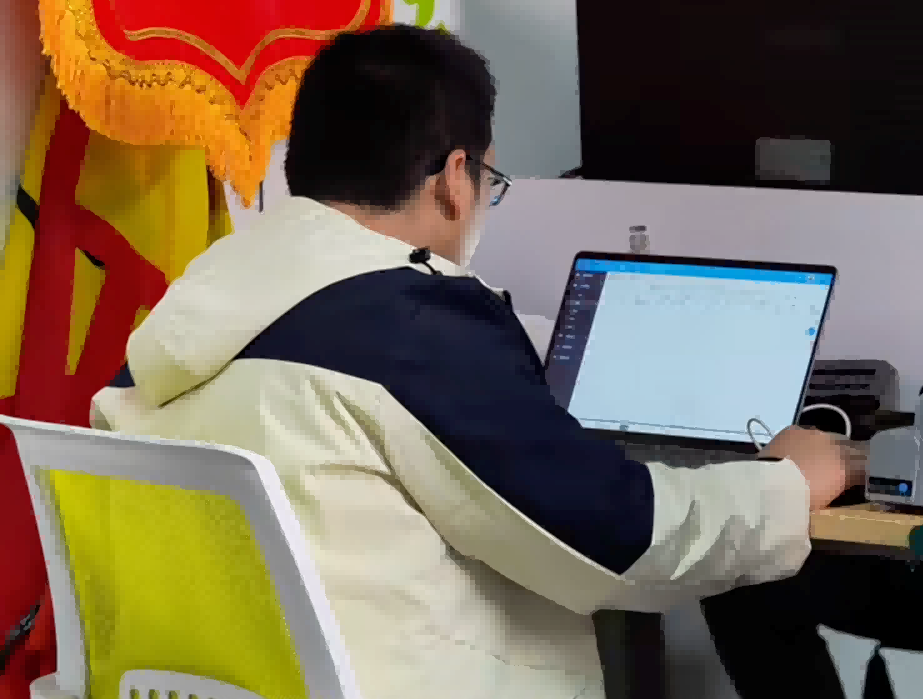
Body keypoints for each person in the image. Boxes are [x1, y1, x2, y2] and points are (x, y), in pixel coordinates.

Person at [89, 25, 862, 699]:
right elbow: (620, 540)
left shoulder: (184, 323)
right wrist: (787, 482)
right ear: (455, 178)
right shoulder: (412, 327)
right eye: (491, 180)